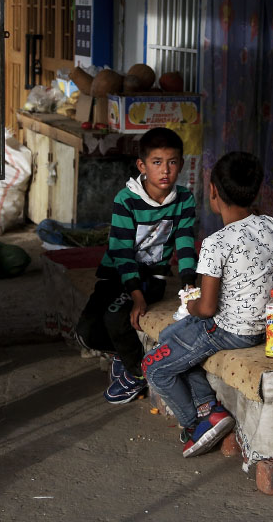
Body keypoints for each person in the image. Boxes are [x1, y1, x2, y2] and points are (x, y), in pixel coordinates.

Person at [142, 151, 273, 458]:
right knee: (170, 338)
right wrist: (264, 223)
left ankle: (196, 424)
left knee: (154, 367)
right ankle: (209, 405)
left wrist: (191, 306)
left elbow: (206, 309)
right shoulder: (269, 225)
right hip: (268, 325)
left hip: (229, 330)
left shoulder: (216, 242)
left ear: (213, 191)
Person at [74, 127, 198, 405]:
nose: (165, 170)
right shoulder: (126, 199)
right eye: (157, 162)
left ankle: (138, 373)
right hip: (118, 272)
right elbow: (121, 250)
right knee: (86, 333)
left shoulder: (184, 200)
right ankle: (121, 352)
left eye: (173, 162)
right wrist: (135, 294)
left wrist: (189, 283)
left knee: (117, 317)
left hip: (152, 275)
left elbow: (186, 243)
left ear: (181, 163)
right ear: (142, 165)